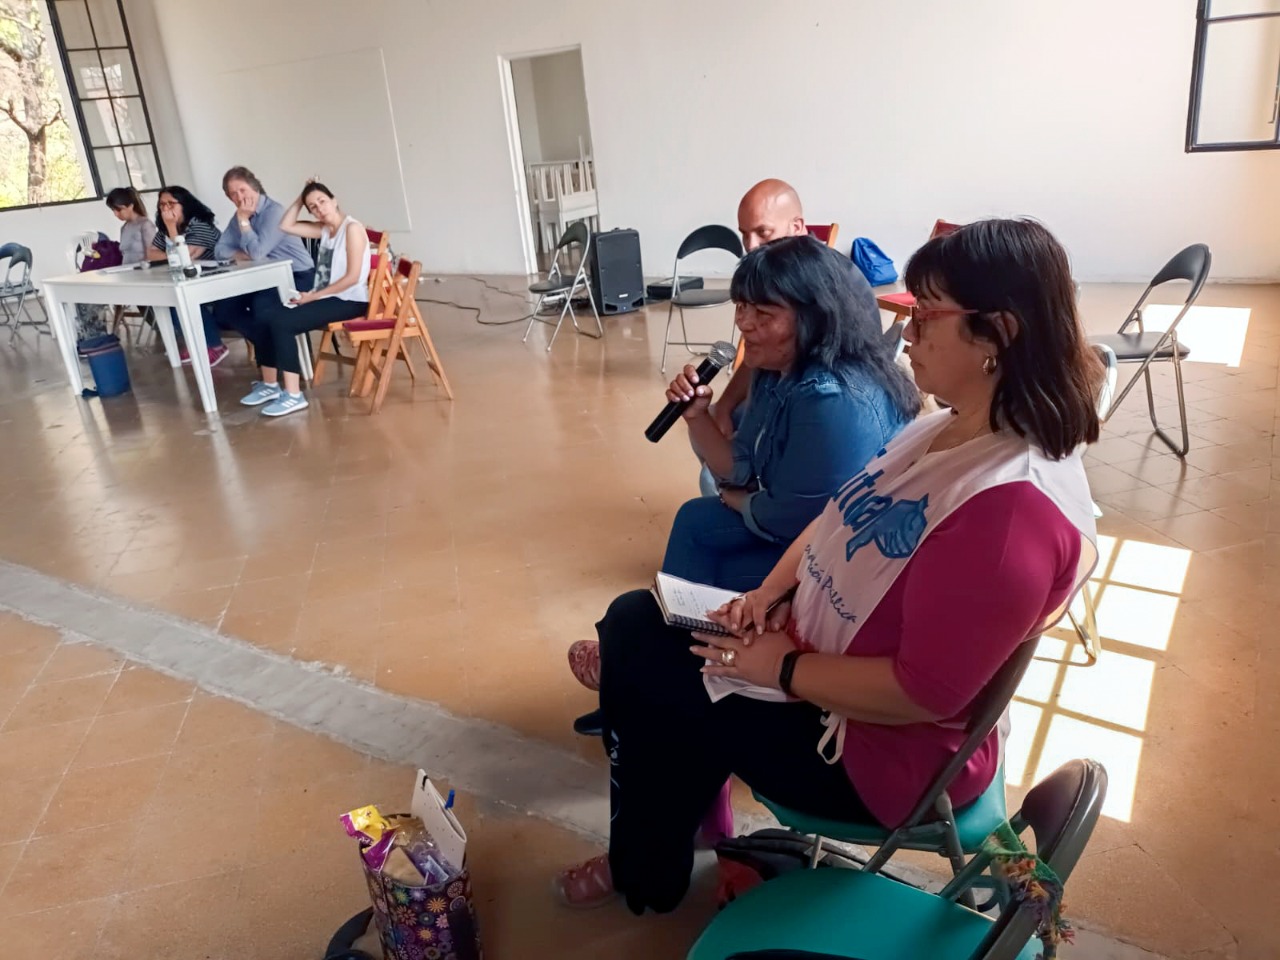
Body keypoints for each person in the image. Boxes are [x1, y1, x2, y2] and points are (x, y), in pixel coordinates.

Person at [553, 218, 1102, 912]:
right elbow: (838, 515)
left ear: (998, 334)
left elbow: (922, 694)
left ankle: (645, 869)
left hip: (872, 755)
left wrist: (779, 668)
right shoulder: (949, 424)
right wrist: (768, 594)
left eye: (925, 315)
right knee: (643, 627)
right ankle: (656, 850)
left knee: (650, 667)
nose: (906, 332)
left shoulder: (1011, 513)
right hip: (821, 665)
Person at [568, 236, 919, 737]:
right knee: (697, 520)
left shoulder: (834, 401)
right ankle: (651, 678)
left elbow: (790, 522)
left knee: (691, 586)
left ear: (814, 317)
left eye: (764, 313)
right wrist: (697, 416)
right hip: (795, 529)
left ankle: (655, 683)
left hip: (837, 565)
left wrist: (737, 498)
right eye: (741, 307)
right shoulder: (778, 369)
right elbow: (737, 468)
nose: (744, 324)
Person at [237, 180, 370, 418]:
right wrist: (301, 198)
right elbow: (285, 225)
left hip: (350, 300)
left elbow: (352, 278)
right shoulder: (325, 230)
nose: (319, 209)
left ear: (334, 201)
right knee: (265, 316)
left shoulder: (352, 229)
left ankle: (293, 395)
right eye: (313, 207)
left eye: (322, 201)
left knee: (282, 323)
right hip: (329, 296)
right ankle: (270, 385)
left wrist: (313, 297)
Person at [709, 179, 808, 439]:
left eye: (763, 232)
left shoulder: (829, 283)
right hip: (775, 390)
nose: (751, 246)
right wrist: (723, 406)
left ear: (797, 227)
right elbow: (762, 349)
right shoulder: (769, 270)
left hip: (804, 407)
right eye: (744, 234)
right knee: (711, 419)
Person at [210, 166, 317, 339]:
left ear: (255, 187)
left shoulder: (274, 212)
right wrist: (243, 255)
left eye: (242, 190)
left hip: (299, 275)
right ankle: (267, 343)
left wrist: (244, 221)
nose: (240, 197)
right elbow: (219, 250)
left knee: (262, 307)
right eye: (233, 194)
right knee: (224, 309)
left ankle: (275, 345)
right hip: (265, 277)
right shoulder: (238, 216)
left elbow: (257, 253)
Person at [146, 185, 228, 367]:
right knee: (170, 298)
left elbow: (185, 258)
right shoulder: (164, 230)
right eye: (162, 205)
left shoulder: (200, 225)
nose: (166, 209)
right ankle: (196, 343)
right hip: (191, 279)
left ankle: (215, 345)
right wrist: (172, 251)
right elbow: (150, 254)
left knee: (185, 296)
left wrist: (171, 229)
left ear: (184, 204)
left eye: (171, 203)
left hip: (218, 279)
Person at [106, 187, 155, 264]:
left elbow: (152, 255)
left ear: (131, 206)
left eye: (119, 210)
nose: (116, 214)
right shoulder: (124, 228)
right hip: (127, 269)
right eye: (113, 210)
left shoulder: (145, 224)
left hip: (142, 269)